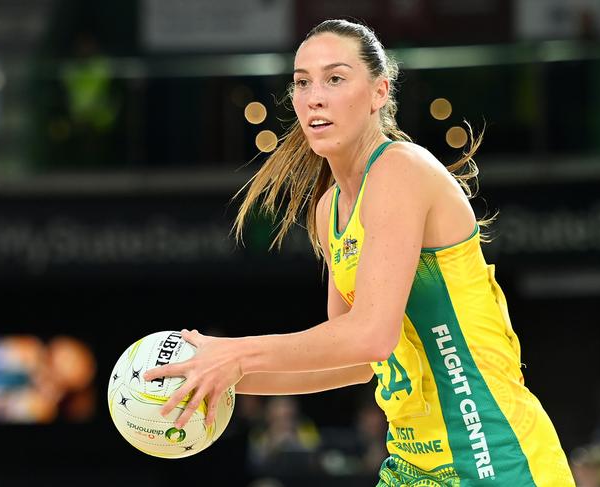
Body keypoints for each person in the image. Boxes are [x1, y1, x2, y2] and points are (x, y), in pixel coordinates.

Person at [144, 19, 575, 486]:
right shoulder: (330, 207)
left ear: (379, 92)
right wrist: (214, 380)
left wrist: (235, 355)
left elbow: (371, 335)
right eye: (302, 82)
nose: (314, 96)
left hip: (492, 456)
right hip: (413, 466)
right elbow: (349, 363)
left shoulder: (399, 170)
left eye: (335, 78)